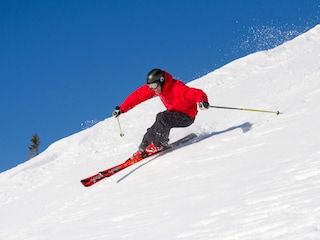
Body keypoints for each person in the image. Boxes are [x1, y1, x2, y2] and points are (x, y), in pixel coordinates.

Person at [112, 68, 210, 158]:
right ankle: (143, 148)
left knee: (162, 118)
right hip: (173, 114)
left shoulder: (177, 88)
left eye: (154, 86)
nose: (153, 89)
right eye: (150, 86)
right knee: (154, 129)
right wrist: (121, 109)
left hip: (187, 116)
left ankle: (158, 144)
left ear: (162, 81)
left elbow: (196, 93)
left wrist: (202, 101)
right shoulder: (157, 89)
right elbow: (138, 95)